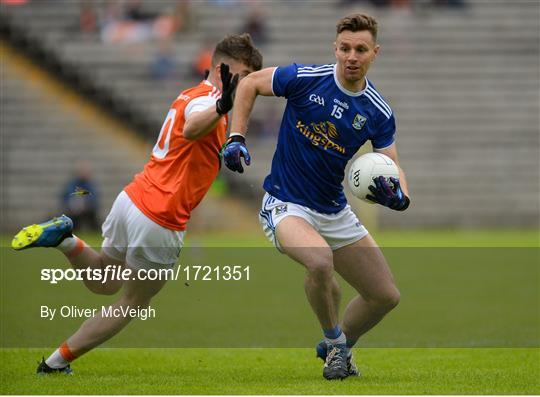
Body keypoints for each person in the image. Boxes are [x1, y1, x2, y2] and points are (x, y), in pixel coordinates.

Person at [11, 34, 262, 374]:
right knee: (132, 303)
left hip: (133, 198)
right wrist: (222, 108)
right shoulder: (212, 99)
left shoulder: (189, 93)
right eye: (244, 74)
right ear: (221, 68)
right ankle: (55, 363)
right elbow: (191, 128)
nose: (247, 84)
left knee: (104, 279)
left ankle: (65, 239)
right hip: (160, 216)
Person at [222, 14, 410, 380]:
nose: (351, 56)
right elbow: (249, 85)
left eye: (360, 49)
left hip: (333, 210)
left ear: (375, 52)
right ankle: (337, 347)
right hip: (285, 203)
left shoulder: (377, 110)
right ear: (335, 48)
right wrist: (236, 137)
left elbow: (392, 165)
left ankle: (336, 344)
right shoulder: (306, 79)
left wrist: (400, 196)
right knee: (320, 261)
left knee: (385, 296)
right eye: (344, 48)